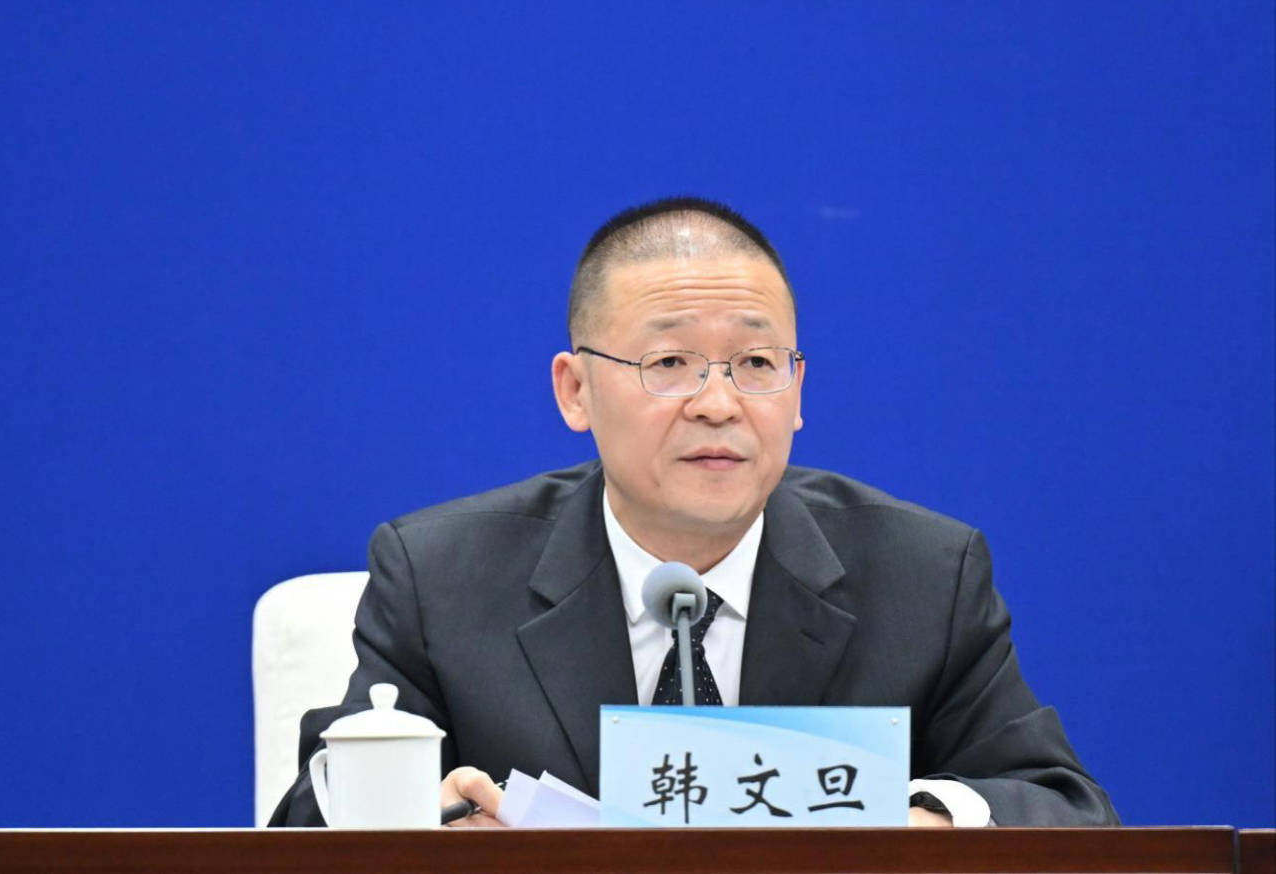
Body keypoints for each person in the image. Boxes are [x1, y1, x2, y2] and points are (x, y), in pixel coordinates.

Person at [270, 197, 1118, 828]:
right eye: (670, 362)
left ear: (797, 391)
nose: (719, 404)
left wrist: (921, 824)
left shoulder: (924, 576)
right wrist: (421, 815)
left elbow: (1063, 807)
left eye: (756, 363)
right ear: (575, 390)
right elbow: (305, 826)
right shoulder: (440, 578)